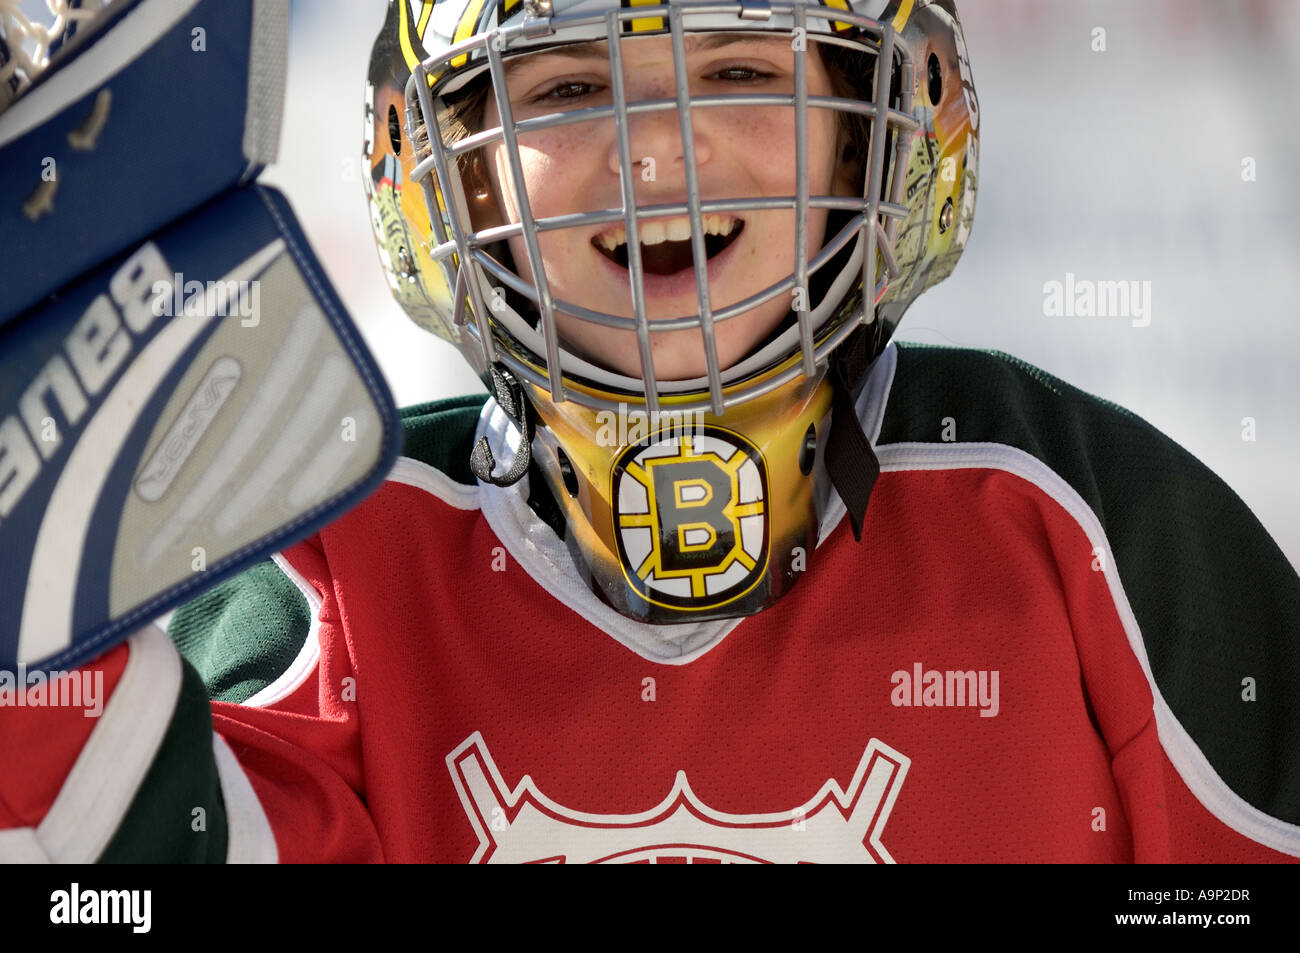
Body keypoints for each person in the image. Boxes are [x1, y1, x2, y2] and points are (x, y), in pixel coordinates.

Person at [5, 0, 1298, 864]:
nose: (657, 153)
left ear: (881, 126)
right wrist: (34, 605)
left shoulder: (1087, 527)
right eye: (567, 88)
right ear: (443, 169)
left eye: (739, 69)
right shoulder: (335, 570)